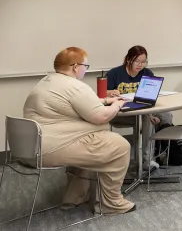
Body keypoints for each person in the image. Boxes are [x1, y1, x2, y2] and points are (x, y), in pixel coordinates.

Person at [23, 47, 136, 214]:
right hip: (50, 147)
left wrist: (105, 99)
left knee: (95, 143)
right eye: (86, 66)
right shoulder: (74, 85)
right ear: (75, 66)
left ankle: (74, 197)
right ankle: (111, 204)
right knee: (119, 146)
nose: (85, 69)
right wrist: (117, 104)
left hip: (32, 145)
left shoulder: (48, 81)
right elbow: (100, 117)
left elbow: (75, 102)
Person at [106, 46, 172, 168]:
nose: (140, 65)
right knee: (146, 119)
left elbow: (150, 98)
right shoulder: (114, 73)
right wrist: (110, 92)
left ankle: (161, 152)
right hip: (121, 113)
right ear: (128, 60)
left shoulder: (147, 73)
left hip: (144, 110)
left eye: (143, 62)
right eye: (137, 61)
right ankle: (146, 160)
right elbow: (103, 95)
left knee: (166, 115)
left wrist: (149, 113)